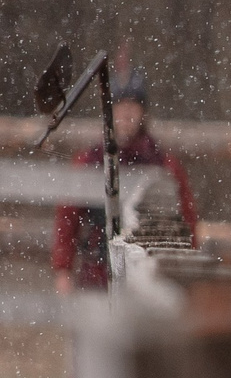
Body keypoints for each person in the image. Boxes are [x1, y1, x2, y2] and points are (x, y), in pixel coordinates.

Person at [51, 68, 198, 294]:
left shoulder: (162, 165)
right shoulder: (89, 162)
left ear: (143, 112)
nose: (126, 113)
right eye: (119, 106)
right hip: (97, 272)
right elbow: (67, 219)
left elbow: (186, 221)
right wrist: (63, 269)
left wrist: (186, 271)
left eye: (133, 105)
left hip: (149, 279)